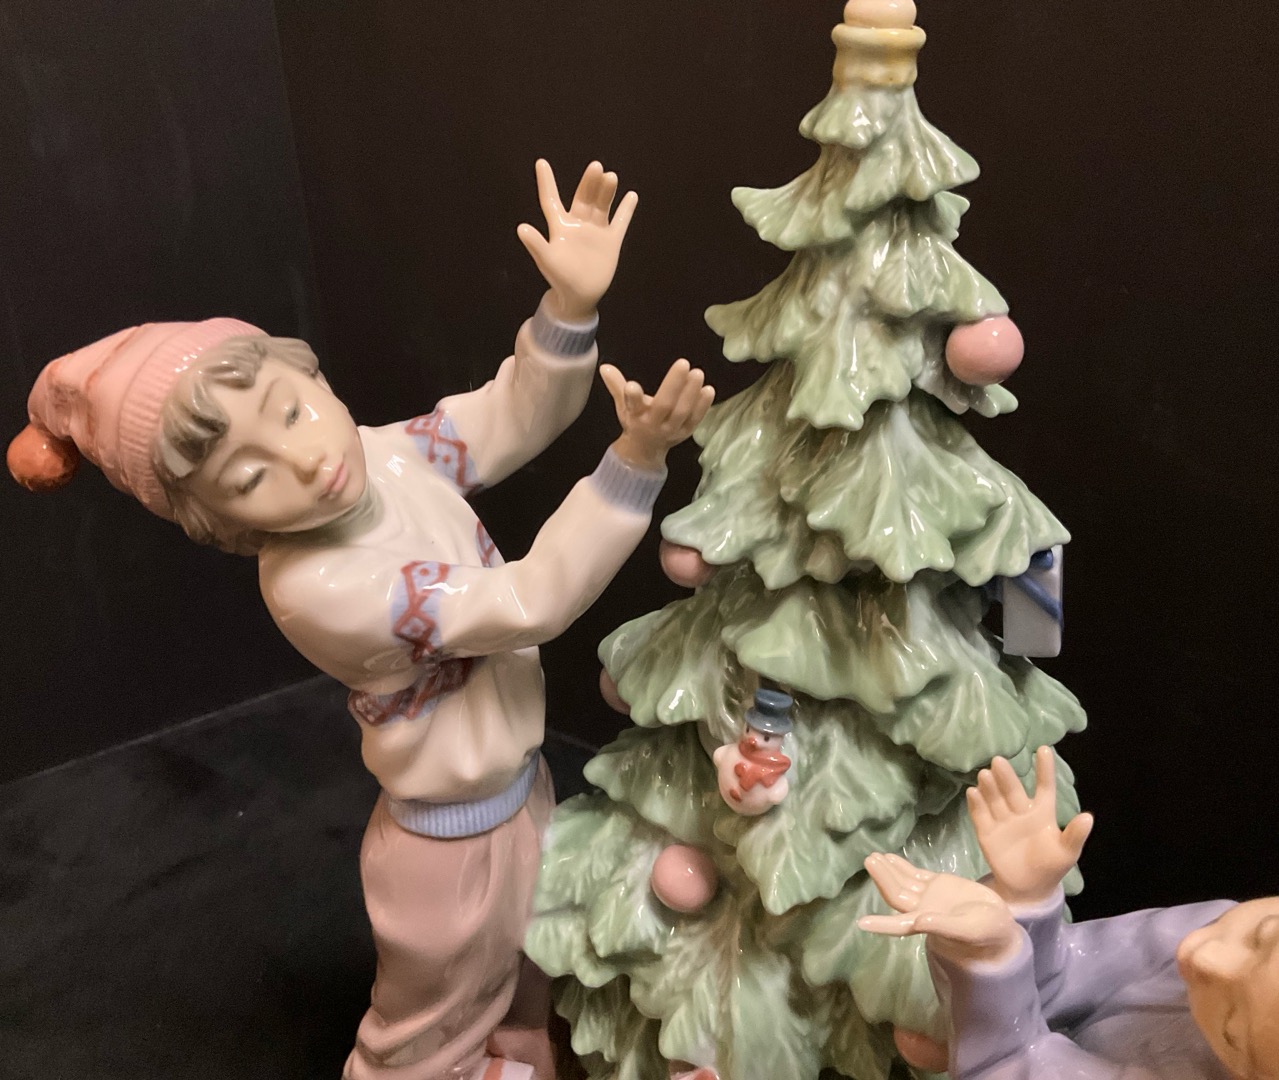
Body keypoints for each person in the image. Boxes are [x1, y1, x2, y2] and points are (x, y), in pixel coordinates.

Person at [8, 160, 716, 1080]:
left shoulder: (385, 459)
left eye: (290, 410)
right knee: (423, 1034)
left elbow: (511, 416)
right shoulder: (320, 586)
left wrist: (567, 310)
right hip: (447, 846)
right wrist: (633, 465)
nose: (306, 460)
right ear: (221, 523)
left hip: (522, 790)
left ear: (315, 378)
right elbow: (530, 599)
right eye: (249, 477)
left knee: (529, 978)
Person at [859, 747, 1279, 1079]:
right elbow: (1068, 979)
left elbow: (1011, 1069)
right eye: (1261, 935)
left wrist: (988, 962)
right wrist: (1025, 899)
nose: (1199, 954)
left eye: (1231, 1026)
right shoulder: (1207, 928)